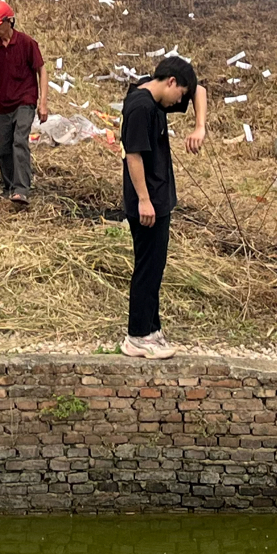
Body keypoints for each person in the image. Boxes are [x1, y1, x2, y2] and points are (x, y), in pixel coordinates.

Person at [117, 55, 201, 358]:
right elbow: (134, 156)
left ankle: (151, 329)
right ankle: (137, 335)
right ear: (171, 82)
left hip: (160, 198)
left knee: (155, 267)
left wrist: (200, 127)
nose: (181, 101)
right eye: (181, 94)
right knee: (146, 268)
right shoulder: (140, 107)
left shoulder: (155, 94)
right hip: (147, 201)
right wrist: (143, 200)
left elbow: (199, 89)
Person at [0, 0, 47, 207]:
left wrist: (43, 102)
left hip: (25, 101)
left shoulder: (27, 43)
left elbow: (41, 70)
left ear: (9, 21)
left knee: (19, 141)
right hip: (4, 104)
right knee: (3, 147)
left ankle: (21, 189)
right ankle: (9, 187)